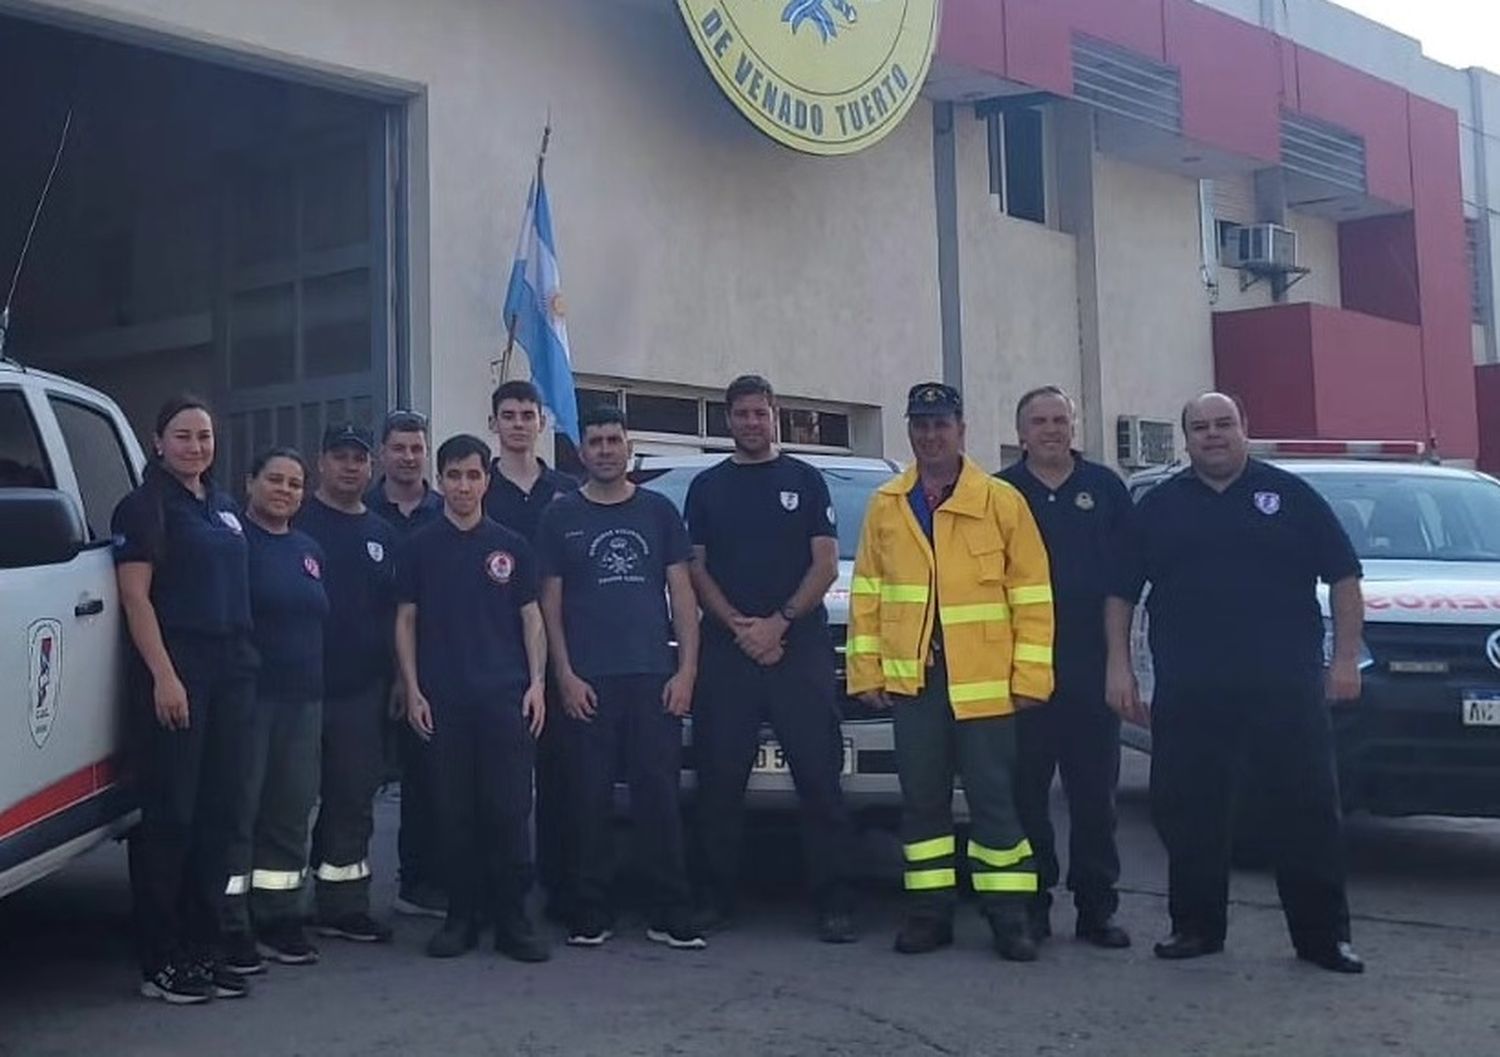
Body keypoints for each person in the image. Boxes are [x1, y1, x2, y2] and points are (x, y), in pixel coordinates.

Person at [1105, 392, 1366, 974]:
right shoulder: (1161, 506)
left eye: (1224, 424)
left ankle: (1323, 939)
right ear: (1186, 438)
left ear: (1246, 427)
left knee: (1306, 811)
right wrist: (1118, 667)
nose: (1213, 435)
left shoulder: (1290, 496)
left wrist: (1345, 660)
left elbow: (1345, 576)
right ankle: (1195, 927)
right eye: (1201, 427)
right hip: (1192, 690)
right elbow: (1121, 591)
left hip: (1286, 688)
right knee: (1190, 812)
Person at [847, 382, 1054, 962]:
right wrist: (866, 671)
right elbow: (868, 593)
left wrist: (1031, 676)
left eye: (941, 424)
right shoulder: (888, 503)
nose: (931, 435)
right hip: (915, 683)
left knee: (994, 804)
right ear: (910, 431)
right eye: (921, 425)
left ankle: (1009, 917)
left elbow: (1033, 596)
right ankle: (928, 914)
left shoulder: (1000, 501)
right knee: (923, 805)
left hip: (986, 683)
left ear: (962, 429)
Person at [683, 374, 856, 944]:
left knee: (819, 778)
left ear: (774, 415)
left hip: (798, 645)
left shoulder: (805, 481)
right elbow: (696, 568)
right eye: (741, 414)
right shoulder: (708, 487)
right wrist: (737, 625)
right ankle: (714, 897)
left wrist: (779, 622)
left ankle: (833, 901)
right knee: (718, 780)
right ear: (727, 420)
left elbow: (827, 563)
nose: (751, 422)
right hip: (728, 649)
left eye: (760, 412)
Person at [537, 406, 704, 950]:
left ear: (627, 447)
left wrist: (686, 672)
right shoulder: (560, 516)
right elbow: (550, 604)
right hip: (588, 681)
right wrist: (563, 673)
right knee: (587, 801)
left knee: (658, 798)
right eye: (595, 441)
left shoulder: (658, 512)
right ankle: (590, 909)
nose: (605, 449)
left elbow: (682, 594)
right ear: (581, 452)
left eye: (614, 440)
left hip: (653, 677)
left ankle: (670, 910)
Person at [113, 394, 256, 1004]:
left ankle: (203, 948)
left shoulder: (222, 506)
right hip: (180, 671)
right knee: (171, 819)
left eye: (203, 436)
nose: (195, 446)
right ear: (156, 441)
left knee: (219, 818)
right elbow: (136, 599)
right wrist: (165, 677)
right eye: (182, 436)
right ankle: (162, 961)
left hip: (233, 673)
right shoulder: (143, 508)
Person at [394, 434, 550, 962]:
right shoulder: (418, 546)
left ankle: (513, 920)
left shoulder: (512, 546)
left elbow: (532, 618)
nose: (463, 485)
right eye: (454, 476)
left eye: (473, 475)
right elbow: (406, 620)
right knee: (453, 813)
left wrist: (537, 684)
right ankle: (462, 917)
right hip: (444, 701)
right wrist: (413, 688)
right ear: (440, 480)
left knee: (508, 812)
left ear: (488, 479)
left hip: (505, 699)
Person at [998, 387, 1132, 949]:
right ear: (1021, 432)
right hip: (1022, 669)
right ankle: (1033, 904)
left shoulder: (1105, 489)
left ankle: (1096, 908)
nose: (1051, 430)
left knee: (1094, 796)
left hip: (1090, 665)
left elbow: (1122, 585)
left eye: (1060, 420)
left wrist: (1118, 666)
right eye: (1039, 421)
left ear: (1073, 427)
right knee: (1025, 794)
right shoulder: (1000, 492)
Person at [221, 449, 330, 973]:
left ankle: (279, 915)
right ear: (250, 482)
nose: (285, 490)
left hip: (303, 700)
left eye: (295, 483)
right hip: (252, 699)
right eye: (275, 480)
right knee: (240, 810)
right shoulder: (233, 544)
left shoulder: (308, 548)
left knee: (290, 812)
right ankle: (230, 922)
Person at [296, 424, 397, 945]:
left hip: (361, 690)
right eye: (340, 457)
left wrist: (398, 679)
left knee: (352, 800)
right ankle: (276, 910)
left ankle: (342, 905)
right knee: (286, 803)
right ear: (321, 462)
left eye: (359, 458)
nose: (351, 467)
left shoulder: (382, 533)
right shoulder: (295, 520)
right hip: (296, 689)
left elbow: (396, 617)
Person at [483, 380, 579, 924]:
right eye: (508, 414)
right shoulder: (479, 488)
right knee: (503, 788)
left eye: (527, 414)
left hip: (560, 649)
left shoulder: (566, 490)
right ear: (493, 423)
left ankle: (562, 888)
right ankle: (503, 894)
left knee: (562, 779)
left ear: (541, 423)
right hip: (494, 656)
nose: (518, 423)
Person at [366, 409, 446, 920]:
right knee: (351, 785)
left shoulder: (446, 511)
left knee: (427, 780)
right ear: (383, 454)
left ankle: (420, 884)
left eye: (417, 448)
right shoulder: (362, 510)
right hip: (362, 667)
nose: (409, 456)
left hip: (427, 668)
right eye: (399, 447)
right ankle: (338, 895)